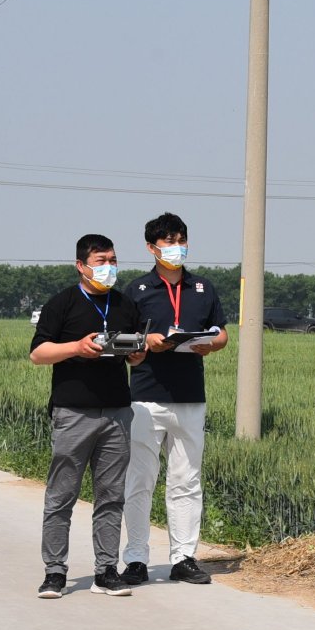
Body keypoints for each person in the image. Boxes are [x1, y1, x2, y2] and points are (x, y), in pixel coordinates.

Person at [28, 234, 146, 599]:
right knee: (61, 495)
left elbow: (136, 350)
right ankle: (55, 571)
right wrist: (77, 348)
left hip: (117, 411)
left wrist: (137, 354)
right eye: (101, 261)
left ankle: (106, 570)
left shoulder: (124, 303)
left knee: (111, 496)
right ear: (81, 266)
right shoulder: (62, 303)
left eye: (113, 260)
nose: (109, 266)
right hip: (73, 411)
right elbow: (38, 353)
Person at [119, 212, 228, 586]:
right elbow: (123, 340)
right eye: (168, 241)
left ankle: (184, 557)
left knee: (186, 480)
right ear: (152, 247)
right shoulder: (136, 290)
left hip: (190, 396)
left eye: (181, 239)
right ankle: (136, 558)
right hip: (145, 397)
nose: (176, 247)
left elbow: (221, 332)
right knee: (140, 480)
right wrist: (145, 342)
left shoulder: (203, 288)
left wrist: (211, 344)